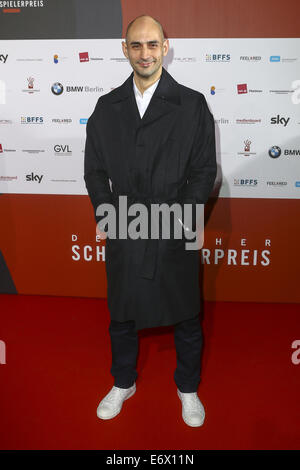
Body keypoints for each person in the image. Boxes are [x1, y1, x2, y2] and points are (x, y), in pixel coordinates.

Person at [84, 14, 217, 427]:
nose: (145, 53)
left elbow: (203, 171)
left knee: (187, 315)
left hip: (174, 225)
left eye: (152, 44)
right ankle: (123, 381)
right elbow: (94, 171)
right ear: (125, 50)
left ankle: (188, 388)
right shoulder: (107, 108)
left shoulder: (192, 104)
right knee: (121, 314)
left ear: (165, 47)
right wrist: (108, 214)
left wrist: (183, 219)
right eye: (137, 45)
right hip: (126, 224)